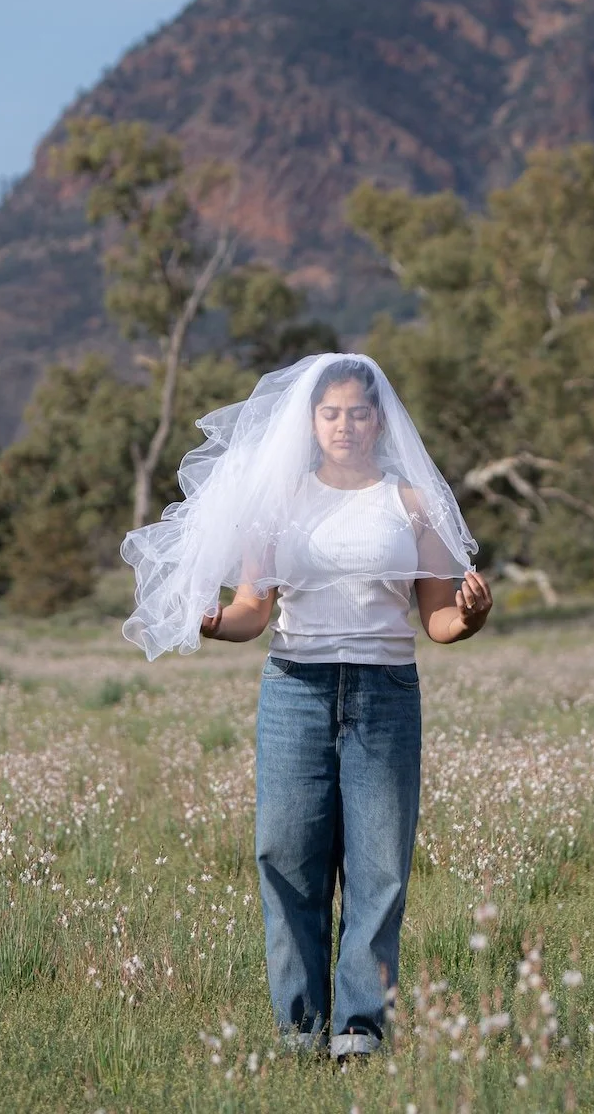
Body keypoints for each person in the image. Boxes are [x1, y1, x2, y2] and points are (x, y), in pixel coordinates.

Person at [120, 353, 492, 1061]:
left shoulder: (415, 504)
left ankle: (359, 1030)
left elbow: (440, 620)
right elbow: (252, 612)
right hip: (295, 690)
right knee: (285, 857)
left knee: (379, 867)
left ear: (379, 421)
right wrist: (211, 622)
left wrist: (472, 616)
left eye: (358, 413)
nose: (345, 425)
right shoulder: (277, 503)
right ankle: (299, 1030)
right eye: (331, 413)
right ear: (311, 422)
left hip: (386, 692)